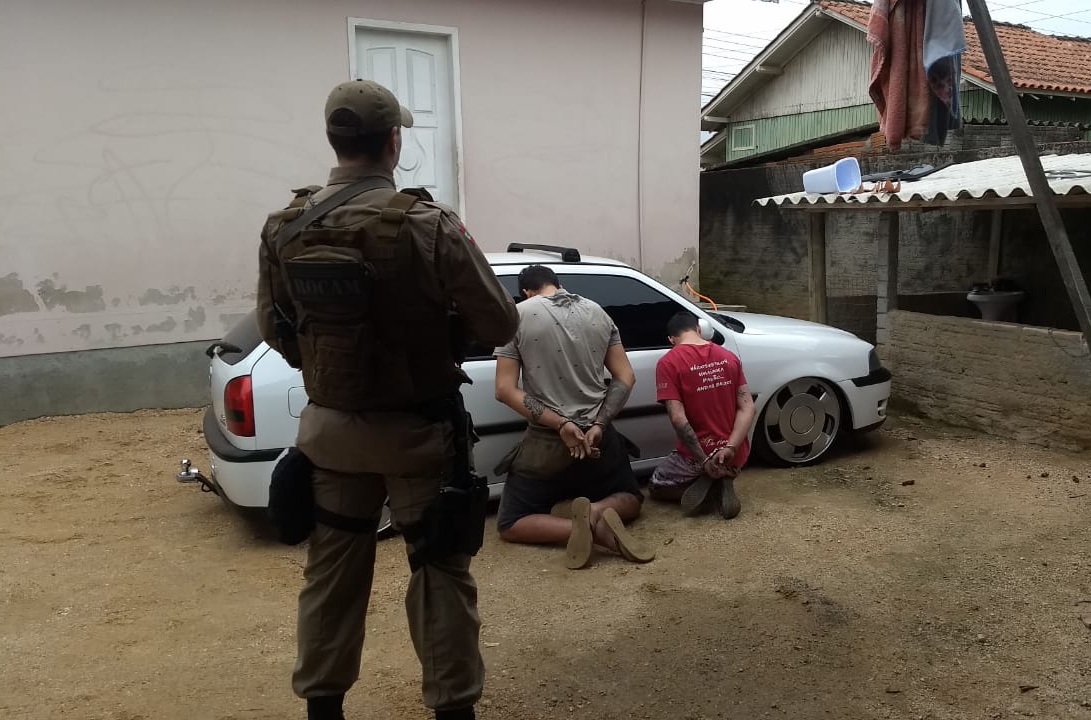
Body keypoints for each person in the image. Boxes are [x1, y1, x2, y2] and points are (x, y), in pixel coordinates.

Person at [256, 79, 519, 720]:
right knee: (438, 572)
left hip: (331, 435)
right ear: (394, 141)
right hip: (417, 436)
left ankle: (323, 710)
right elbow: (500, 323)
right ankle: (452, 709)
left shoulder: (285, 226)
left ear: (333, 140)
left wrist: (329, 371)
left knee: (332, 571)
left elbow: (274, 327)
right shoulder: (428, 224)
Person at [492, 265, 655, 569]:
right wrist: (599, 424)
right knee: (631, 498)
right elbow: (625, 378)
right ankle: (599, 511)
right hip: (599, 438)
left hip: (548, 442)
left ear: (525, 292)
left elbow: (504, 390)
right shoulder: (597, 312)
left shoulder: (517, 317)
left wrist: (562, 423)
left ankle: (581, 528)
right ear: (558, 283)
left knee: (511, 522)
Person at [650, 311, 756, 519]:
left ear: (671, 339)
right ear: (699, 330)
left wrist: (704, 460)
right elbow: (748, 407)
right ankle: (724, 475)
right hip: (734, 455)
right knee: (724, 457)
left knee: (656, 484)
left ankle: (712, 488)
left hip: (700, 455)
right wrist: (730, 448)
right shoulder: (728, 357)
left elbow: (678, 418)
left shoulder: (668, 363)